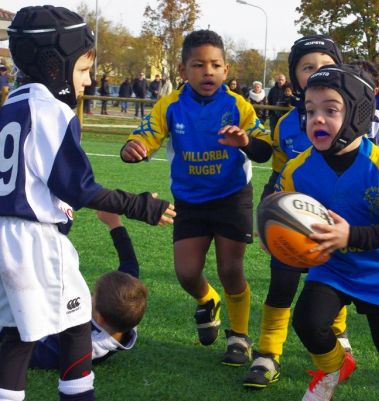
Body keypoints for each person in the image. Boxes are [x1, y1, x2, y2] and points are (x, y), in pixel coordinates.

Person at [1, 6, 175, 401]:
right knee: (78, 321)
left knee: (16, 334)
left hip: (3, 233)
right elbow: (79, 188)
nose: (89, 79)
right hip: (35, 236)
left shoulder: (10, 106)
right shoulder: (52, 111)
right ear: (55, 64)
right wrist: (139, 207)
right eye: (83, 69)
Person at [120, 29, 272, 367]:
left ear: (226, 70)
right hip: (189, 200)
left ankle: (239, 336)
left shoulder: (238, 105)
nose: (208, 72)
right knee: (187, 273)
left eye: (215, 65)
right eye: (199, 65)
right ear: (183, 70)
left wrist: (246, 141)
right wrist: (135, 148)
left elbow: (264, 150)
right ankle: (208, 299)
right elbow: (146, 136)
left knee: (231, 269)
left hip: (232, 197)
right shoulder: (170, 105)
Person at [281, 64, 379, 401]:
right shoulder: (296, 170)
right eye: (310, 110)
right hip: (332, 266)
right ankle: (333, 366)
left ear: (358, 115)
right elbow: (286, 216)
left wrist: (351, 237)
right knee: (307, 323)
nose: (317, 119)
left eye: (330, 110)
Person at [243, 34, 345, 390]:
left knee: (335, 278)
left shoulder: (351, 117)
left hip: (336, 221)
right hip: (291, 222)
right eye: (307, 67)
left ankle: (339, 331)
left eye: (326, 65)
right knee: (282, 283)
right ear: (295, 76)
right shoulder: (286, 124)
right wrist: (266, 212)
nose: (318, 72)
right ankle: (268, 353)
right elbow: (277, 173)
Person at [23, 211, 147, 369]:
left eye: (93, 296)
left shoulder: (79, 348)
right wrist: (114, 223)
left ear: (99, 318)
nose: (89, 295)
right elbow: (130, 262)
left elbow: (29, 354)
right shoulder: (129, 302)